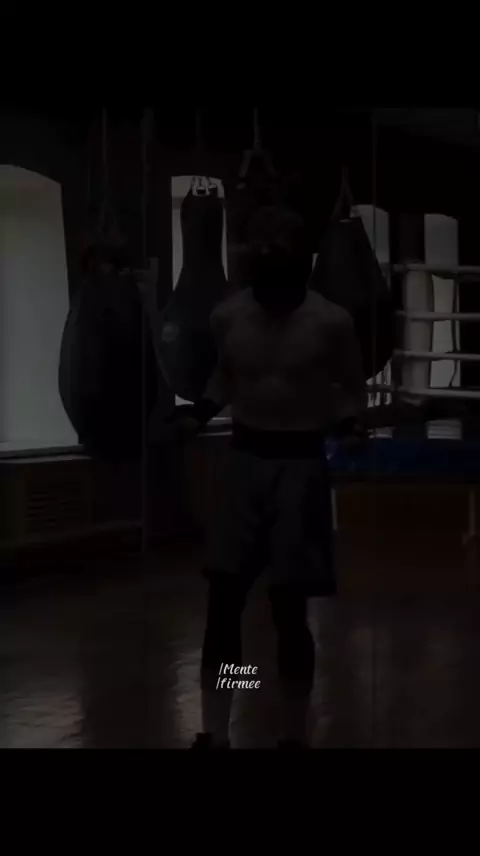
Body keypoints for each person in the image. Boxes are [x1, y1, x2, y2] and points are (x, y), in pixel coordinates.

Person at [173, 205, 367, 748]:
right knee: (224, 601)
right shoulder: (227, 316)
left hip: (299, 467)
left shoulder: (331, 322)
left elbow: (351, 388)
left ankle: (292, 733)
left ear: (300, 262)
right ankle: (216, 730)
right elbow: (226, 375)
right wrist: (199, 412)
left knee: (288, 607)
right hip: (243, 461)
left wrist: (349, 420)